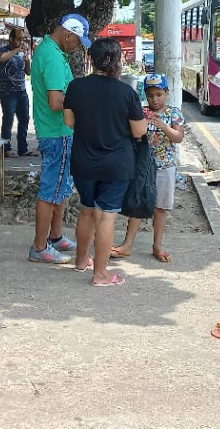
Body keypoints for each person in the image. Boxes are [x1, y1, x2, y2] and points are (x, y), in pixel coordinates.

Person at [63, 38, 147, 286]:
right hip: (117, 164)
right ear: (118, 62)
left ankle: (80, 262)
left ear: (92, 59)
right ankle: (100, 275)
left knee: (87, 210)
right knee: (107, 216)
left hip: (83, 161)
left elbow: (69, 122)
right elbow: (139, 131)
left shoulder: (76, 87)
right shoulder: (126, 92)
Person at [28, 13, 92, 264]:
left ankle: (54, 237)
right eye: (77, 41)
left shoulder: (51, 51)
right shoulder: (53, 57)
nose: (77, 46)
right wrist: (83, 104)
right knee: (50, 191)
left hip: (60, 133)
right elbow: (56, 102)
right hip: (57, 134)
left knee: (61, 188)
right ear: (68, 34)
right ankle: (39, 246)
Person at [111, 73, 184, 263]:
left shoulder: (174, 114)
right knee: (138, 203)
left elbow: (178, 137)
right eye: (151, 95)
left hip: (165, 167)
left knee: (161, 207)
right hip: (143, 166)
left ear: (166, 93)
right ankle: (127, 245)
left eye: (159, 94)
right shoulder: (141, 113)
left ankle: (157, 245)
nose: (155, 99)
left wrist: (162, 125)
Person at [0, 28, 36, 158]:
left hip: (21, 91)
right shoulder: (4, 50)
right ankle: (6, 148)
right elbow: (1, 58)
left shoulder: (21, 53)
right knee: (8, 119)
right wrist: (16, 51)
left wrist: (27, 62)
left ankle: (23, 148)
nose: (21, 42)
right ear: (11, 39)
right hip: (8, 92)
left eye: (22, 39)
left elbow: (28, 72)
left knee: (24, 119)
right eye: (18, 39)